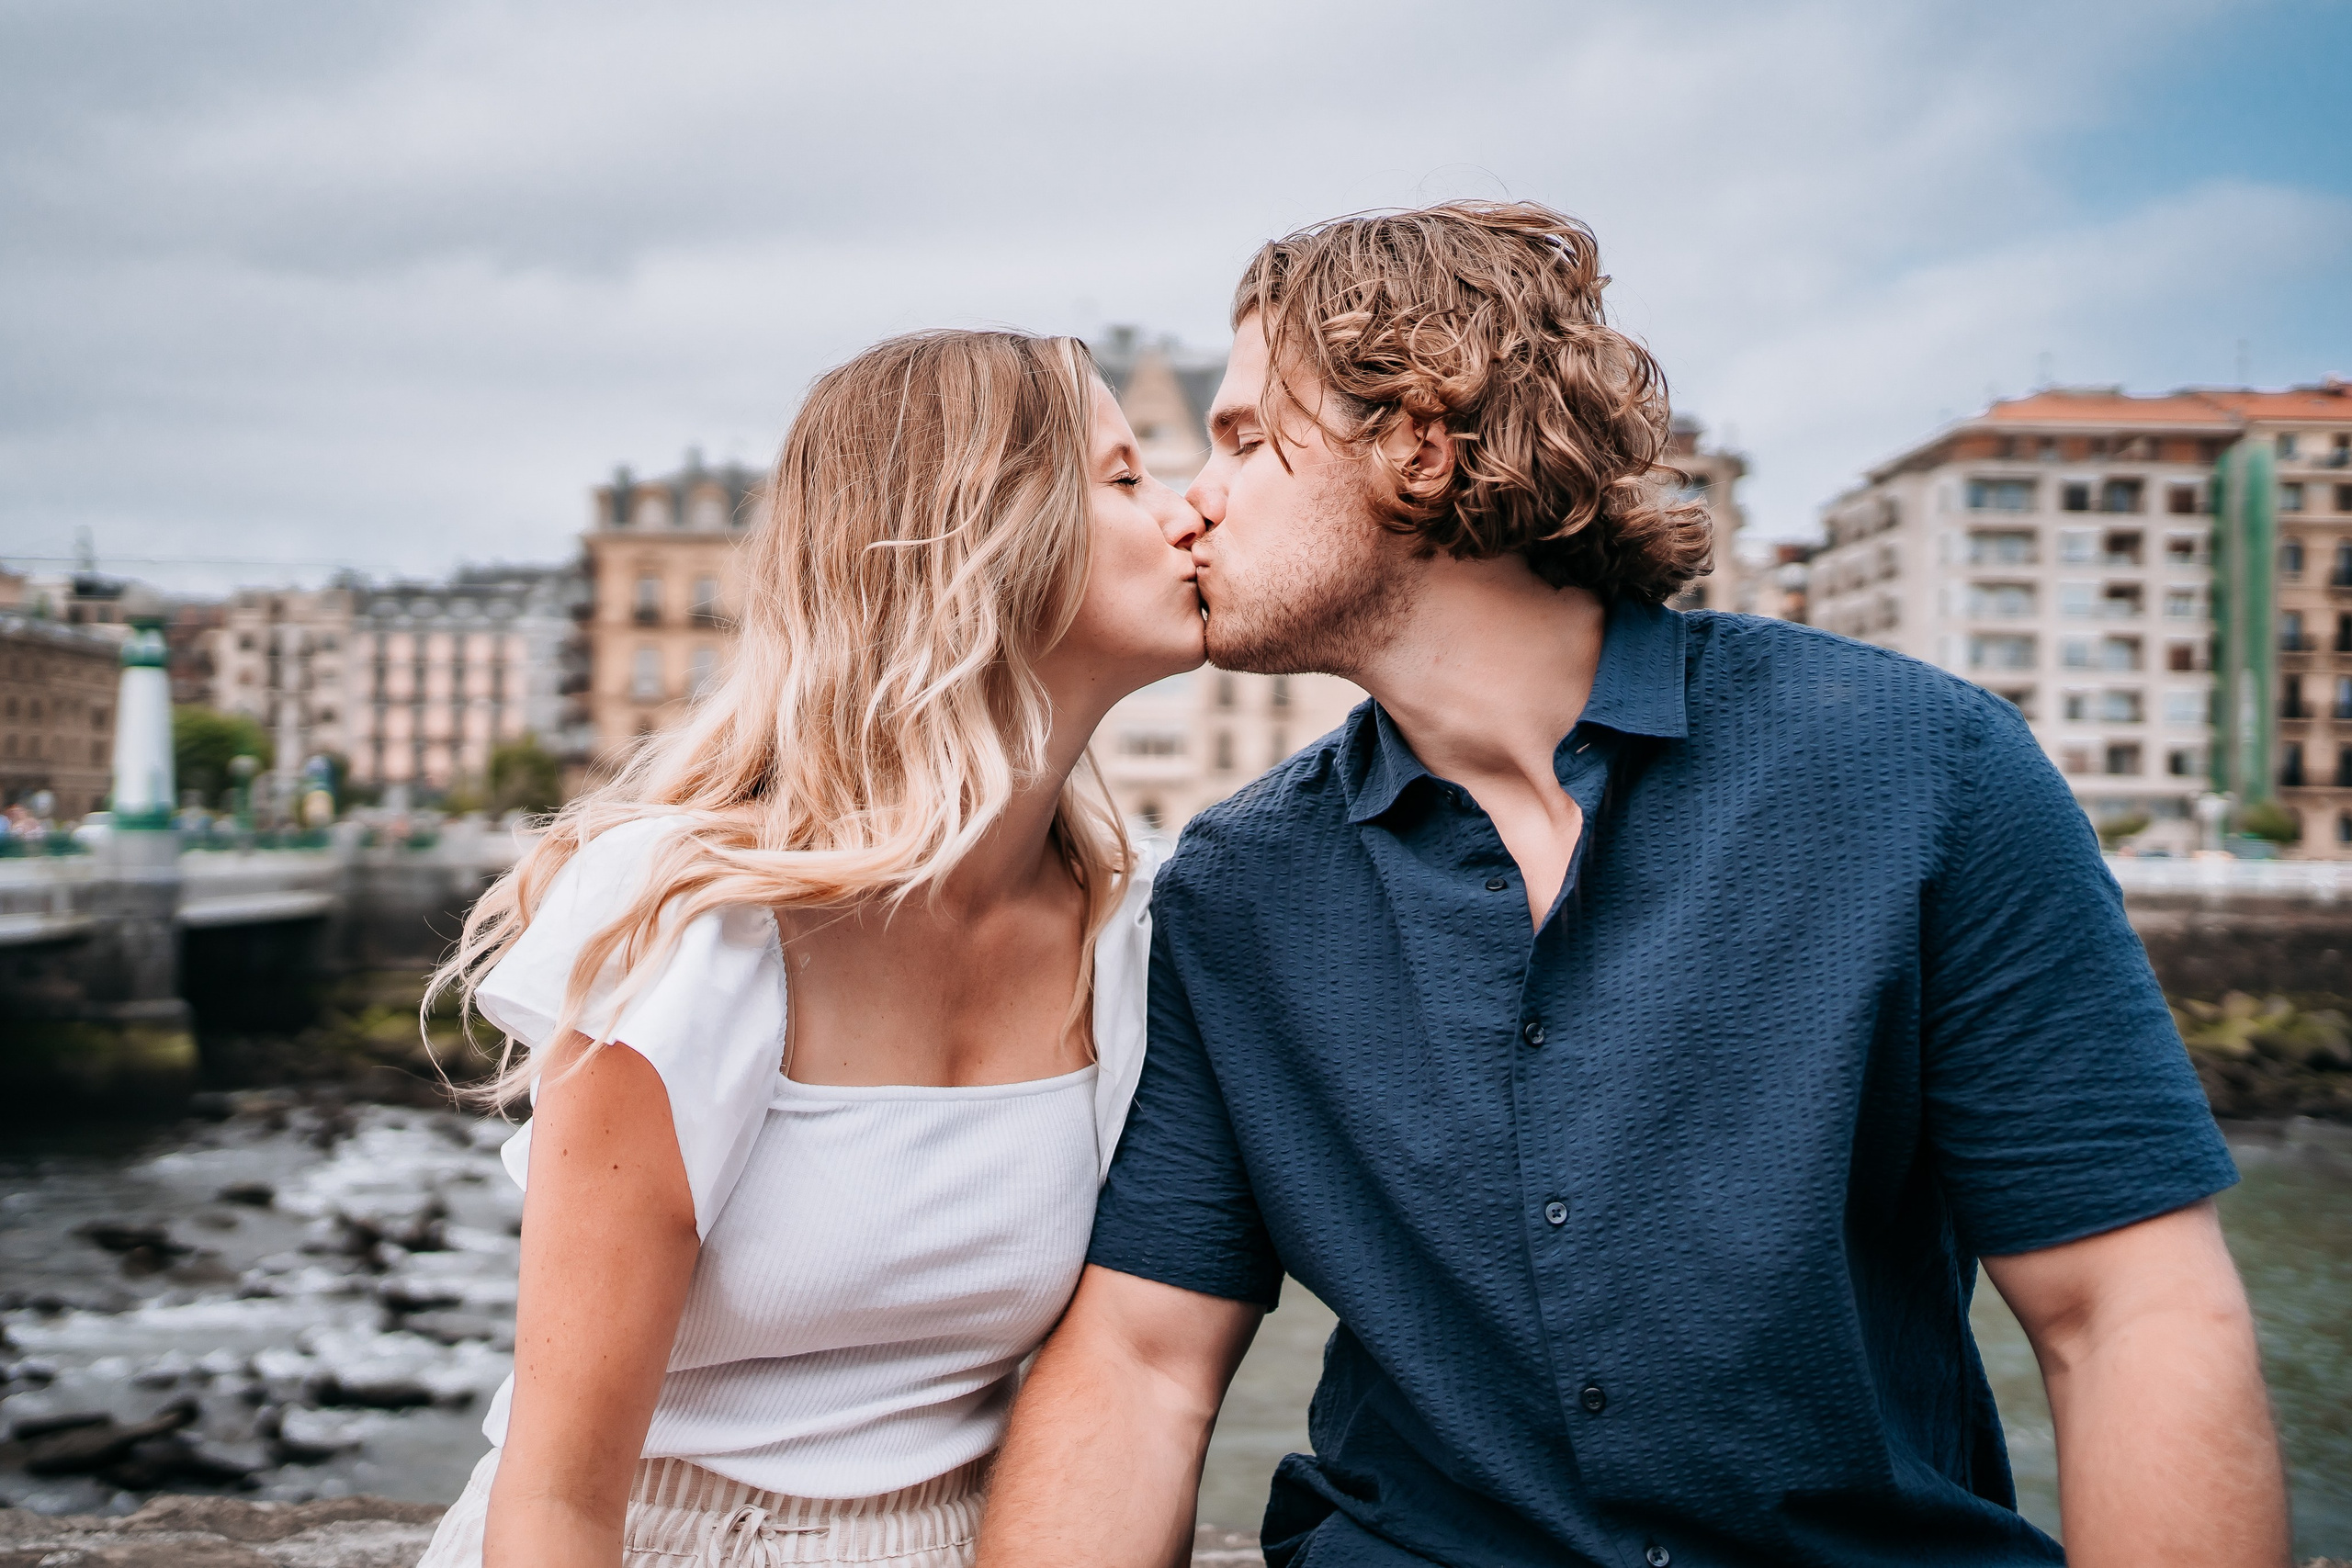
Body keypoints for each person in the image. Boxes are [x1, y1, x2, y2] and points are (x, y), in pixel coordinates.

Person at [976, 204, 2290, 1568]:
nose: (1196, 496)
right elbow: (1141, 1362)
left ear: (1419, 442)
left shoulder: (1923, 771)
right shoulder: (1236, 891)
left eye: (1245, 437)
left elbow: (2125, 1314)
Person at [413, 329, 1206, 1568]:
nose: (1191, 511)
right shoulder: (699, 925)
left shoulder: (1130, 929)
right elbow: (559, 1503)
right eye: (1125, 479)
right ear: (986, 539)